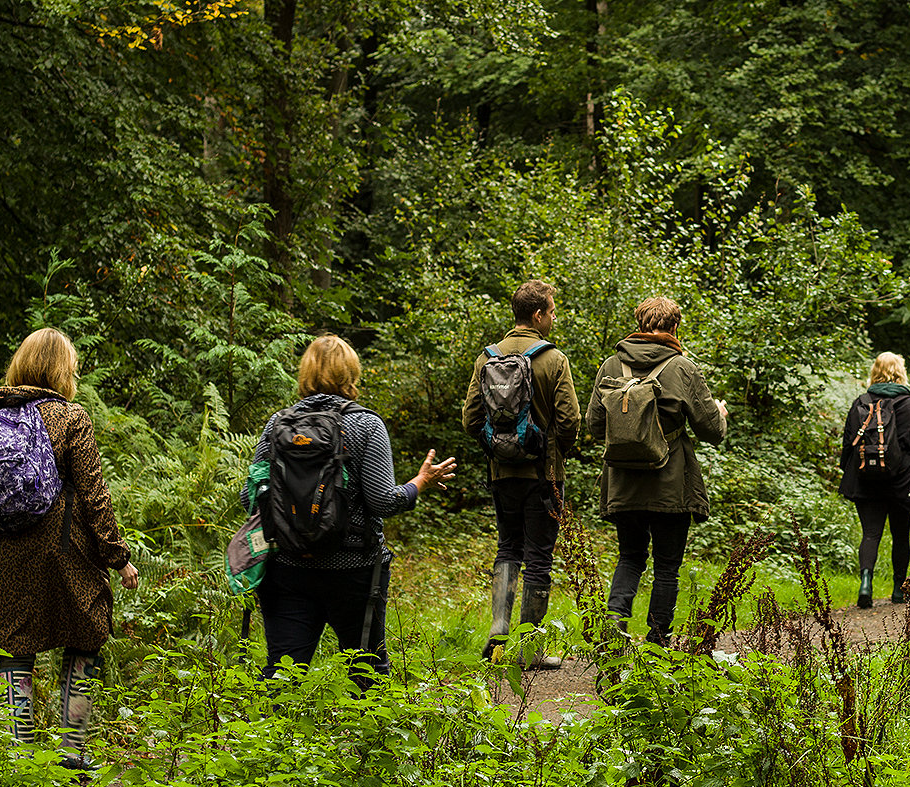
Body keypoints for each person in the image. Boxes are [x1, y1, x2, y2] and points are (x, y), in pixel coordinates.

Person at [243, 335, 455, 686]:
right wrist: (419, 482)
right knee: (367, 674)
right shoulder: (366, 425)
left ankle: (269, 741)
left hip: (286, 568)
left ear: (306, 372)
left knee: (281, 676)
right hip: (354, 569)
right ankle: (369, 741)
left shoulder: (278, 425)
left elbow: (250, 499)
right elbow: (383, 501)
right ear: (351, 373)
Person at [0, 328, 139, 771]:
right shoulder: (71, 418)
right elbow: (94, 496)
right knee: (85, 639)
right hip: (62, 552)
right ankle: (72, 752)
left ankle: (19, 758)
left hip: (0, 555)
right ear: (61, 368)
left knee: (13, 647)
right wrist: (118, 556)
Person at [586, 297, 727, 646]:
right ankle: (657, 643)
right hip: (672, 483)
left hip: (623, 482)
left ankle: (614, 628)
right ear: (675, 327)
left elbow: (592, 423)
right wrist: (720, 414)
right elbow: (711, 431)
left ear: (639, 322)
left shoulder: (611, 366)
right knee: (667, 567)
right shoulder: (682, 368)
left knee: (630, 558)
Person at [462, 280, 580, 668]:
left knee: (507, 548)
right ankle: (528, 651)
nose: (554, 317)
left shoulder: (487, 358)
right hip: (543, 475)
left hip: (501, 473)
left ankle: (498, 634)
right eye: (551, 311)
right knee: (540, 557)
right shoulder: (553, 359)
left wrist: (496, 447)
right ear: (537, 315)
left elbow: (470, 419)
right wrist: (555, 451)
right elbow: (569, 420)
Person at [838, 352, 910, 609]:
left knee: (870, 534)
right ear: (901, 373)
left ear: (875, 371)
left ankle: (865, 584)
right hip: (902, 482)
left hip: (866, 480)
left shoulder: (860, 404)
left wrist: (849, 472)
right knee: (900, 535)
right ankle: (899, 590)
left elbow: (848, 445)